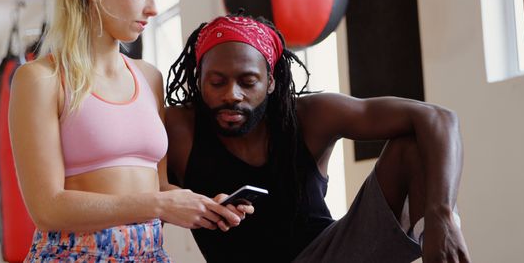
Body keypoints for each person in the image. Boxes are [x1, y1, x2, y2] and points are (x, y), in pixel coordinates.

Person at [9, 0, 250, 262]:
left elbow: (159, 186)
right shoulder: (40, 79)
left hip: (149, 253)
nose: (152, 8)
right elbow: (47, 208)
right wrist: (157, 204)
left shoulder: (149, 77)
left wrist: (201, 205)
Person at [164, 13, 471, 263]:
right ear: (199, 80)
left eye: (248, 81)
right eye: (217, 82)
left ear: (270, 82)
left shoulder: (311, 116)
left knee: (413, 146)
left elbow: (438, 117)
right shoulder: (179, 130)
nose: (232, 95)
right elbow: (140, 190)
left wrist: (440, 214)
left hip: (329, 255)